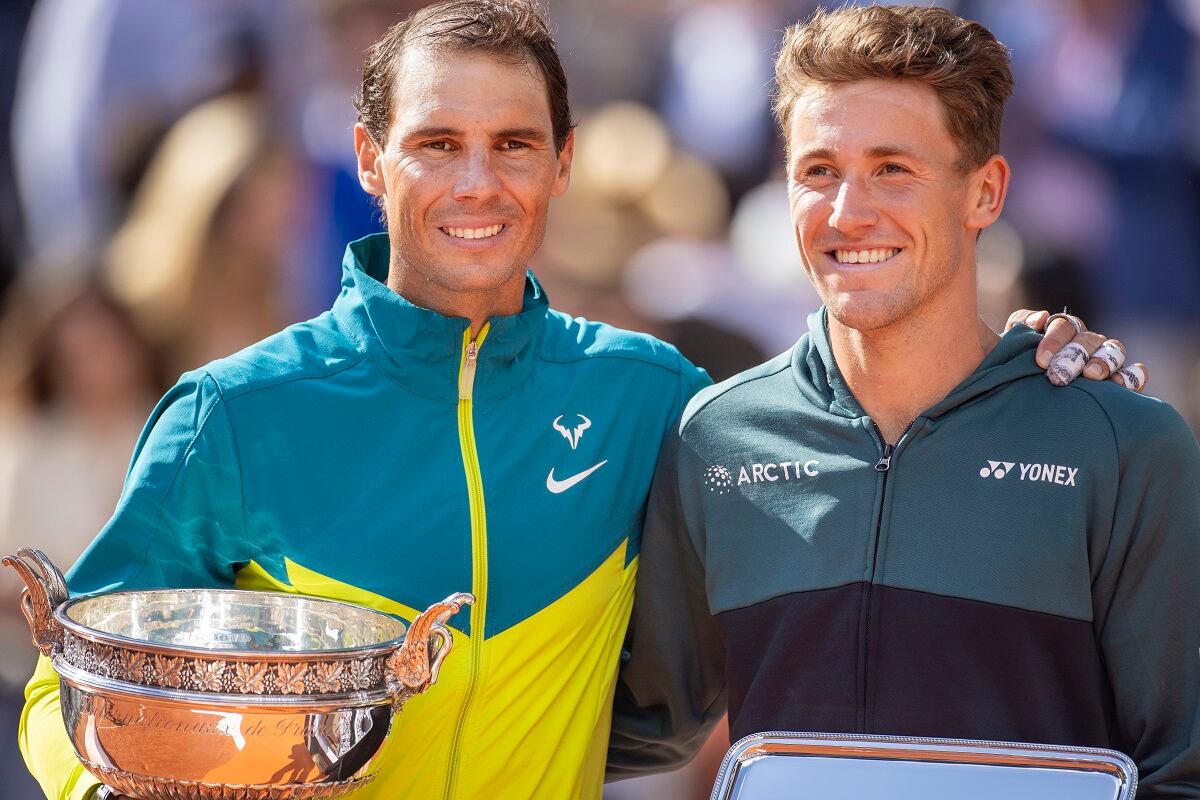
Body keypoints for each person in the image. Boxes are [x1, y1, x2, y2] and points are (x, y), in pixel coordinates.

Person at [16, 2, 1131, 799]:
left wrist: (1021, 360)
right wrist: (114, 785)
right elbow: (69, 691)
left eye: (513, 145)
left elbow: (860, 422)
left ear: (563, 165)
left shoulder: (652, 398)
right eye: (436, 145)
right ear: (368, 157)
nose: (476, 184)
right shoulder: (233, 412)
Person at [607, 6, 1199, 797]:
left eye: (893, 168)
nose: (849, 212)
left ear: (985, 192)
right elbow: (634, 727)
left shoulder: (1126, 448)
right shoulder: (716, 439)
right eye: (818, 170)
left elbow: (1184, 770)